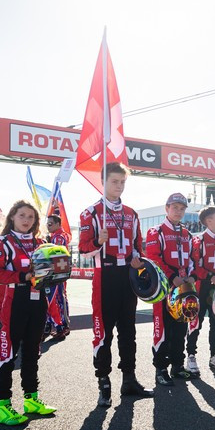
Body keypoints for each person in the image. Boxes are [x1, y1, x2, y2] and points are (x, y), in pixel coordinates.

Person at [79, 162, 152, 407]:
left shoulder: (132, 213)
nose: (119, 186)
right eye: (114, 181)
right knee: (103, 332)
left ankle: (129, 379)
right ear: (103, 182)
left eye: (122, 182)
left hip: (127, 277)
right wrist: (98, 243)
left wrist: (137, 258)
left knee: (128, 331)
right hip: (105, 276)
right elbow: (83, 250)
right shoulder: (91, 212)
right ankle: (104, 382)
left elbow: (137, 245)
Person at [0, 200, 57, 425]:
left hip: (38, 301)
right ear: (12, 218)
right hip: (14, 301)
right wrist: (23, 277)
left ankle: (31, 399)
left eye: (31, 216)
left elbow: (51, 269)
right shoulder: (2, 242)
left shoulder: (41, 243)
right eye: (22, 216)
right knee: (7, 353)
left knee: (32, 351)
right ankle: (2, 406)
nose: (26, 220)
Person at [146, 192, 197, 384]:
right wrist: (172, 276)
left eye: (182, 208)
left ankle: (177, 366)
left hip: (183, 289)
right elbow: (153, 259)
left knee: (180, 328)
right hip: (163, 289)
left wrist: (191, 275)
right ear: (166, 208)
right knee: (163, 329)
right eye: (174, 207)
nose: (178, 211)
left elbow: (192, 259)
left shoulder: (187, 233)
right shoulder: (155, 231)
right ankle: (160, 369)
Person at [186, 205, 215, 372]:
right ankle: (191, 356)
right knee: (195, 321)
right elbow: (194, 266)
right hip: (201, 287)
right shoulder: (198, 241)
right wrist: (210, 276)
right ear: (208, 221)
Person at [44, 214, 71, 340]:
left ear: (58, 224)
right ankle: (59, 324)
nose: (48, 226)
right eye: (47, 224)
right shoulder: (54, 237)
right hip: (55, 273)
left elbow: (57, 257)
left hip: (58, 274)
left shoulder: (59, 237)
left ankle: (64, 326)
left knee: (60, 298)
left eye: (50, 224)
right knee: (56, 299)